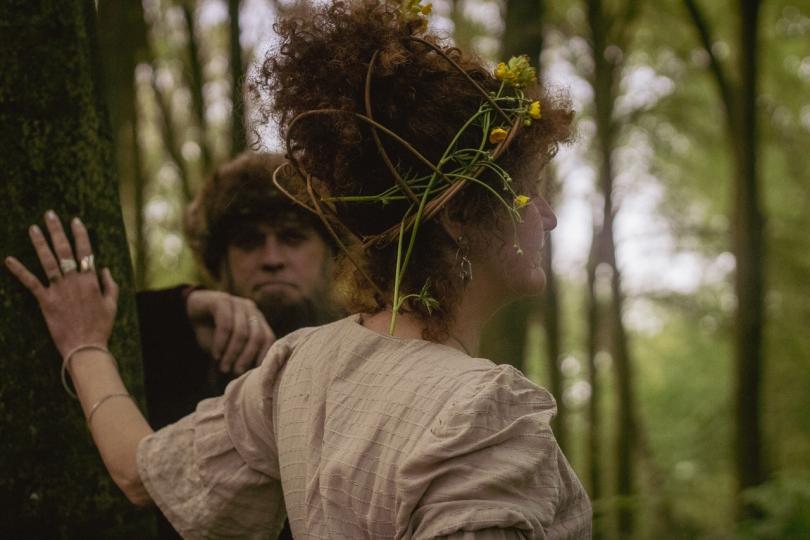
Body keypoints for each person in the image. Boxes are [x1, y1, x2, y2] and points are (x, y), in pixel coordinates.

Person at [5, 1, 591, 537]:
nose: (548, 217)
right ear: (460, 216)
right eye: (527, 193)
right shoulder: (485, 418)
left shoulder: (301, 366)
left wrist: (85, 350)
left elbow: (139, 469)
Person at [137, 151, 338, 538]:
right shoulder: (182, 345)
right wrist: (182, 306)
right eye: (249, 242)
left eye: (292, 237)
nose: (272, 259)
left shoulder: (368, 345)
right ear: (221, 261)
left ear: (331, 253)